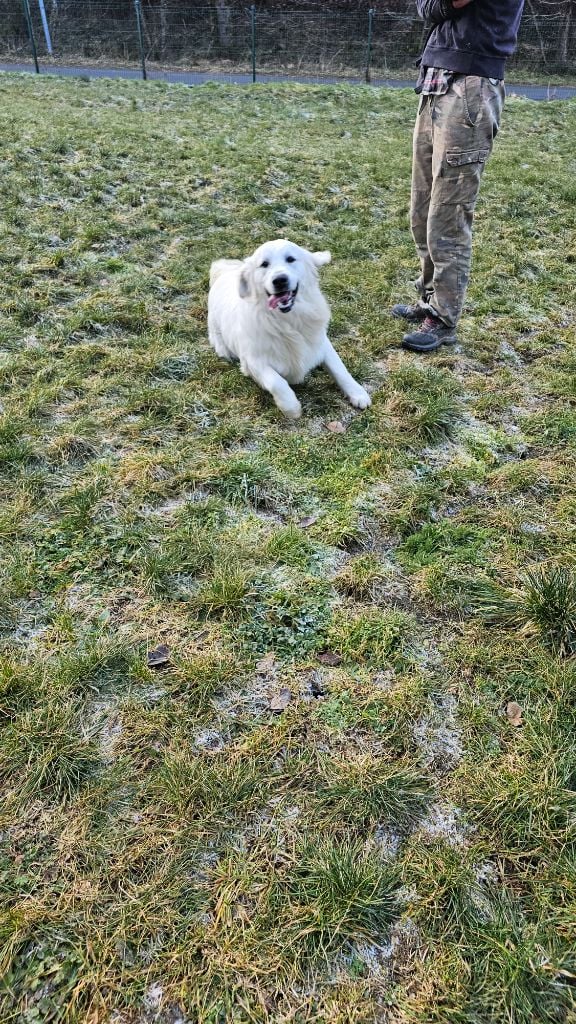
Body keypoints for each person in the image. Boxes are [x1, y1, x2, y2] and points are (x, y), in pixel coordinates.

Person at [393, 0, 525, 352]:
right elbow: (428, 8)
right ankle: (429, 298)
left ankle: (443, 317)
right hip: (436, 81)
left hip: (470, 86)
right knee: (422, 208)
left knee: (448, 214)